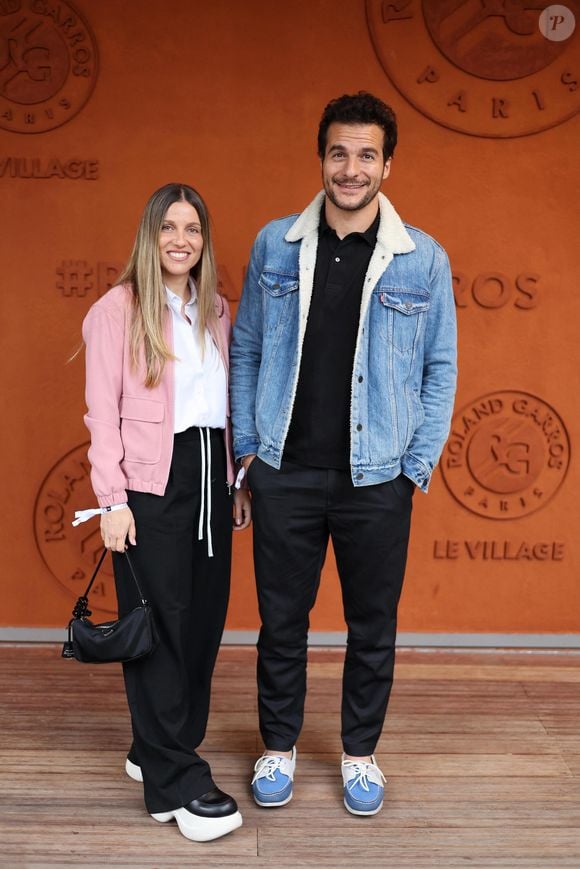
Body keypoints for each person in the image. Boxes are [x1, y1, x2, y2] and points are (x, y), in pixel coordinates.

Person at [230, 93, 457, 816]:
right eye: (338, 152)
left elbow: (440, 367)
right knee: (281, 621)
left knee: (372, 623)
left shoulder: (423, 259)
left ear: (387, 164)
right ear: (321, 157)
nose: (350, 168)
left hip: (377, 477)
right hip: (284, 472)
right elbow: (246, 349)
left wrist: (414, 467)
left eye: (365, 155)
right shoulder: (275, 244)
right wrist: (246, 455)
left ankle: (360, 755)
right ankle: (278, 746)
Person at [78, 183, 251, 842]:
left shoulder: (214, 311)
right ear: (149, 236)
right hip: (152, 482)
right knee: (161, 624)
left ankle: (155, 744)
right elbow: (102, 414)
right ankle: (175, 782)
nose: (182, 239)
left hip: (211, 473)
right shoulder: (116, 311)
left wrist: (235, 480)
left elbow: (219, 408)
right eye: (169, 227)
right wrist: (112, 501)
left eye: (194, 229)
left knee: (202, 622)